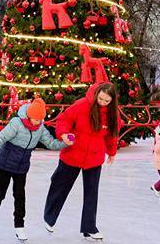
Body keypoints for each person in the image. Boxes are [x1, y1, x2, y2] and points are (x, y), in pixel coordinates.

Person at [43, 82, 123, 241]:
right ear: (96, 94)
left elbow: (112, 135)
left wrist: (112, 152)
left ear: (112, 101)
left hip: (94, 157)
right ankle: (49, 217)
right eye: (100, 99)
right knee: (60, 185)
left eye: (107, 101)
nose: (102, 102)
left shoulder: (113, 113)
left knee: (92, 193)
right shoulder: (81, 105)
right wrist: (64, 134)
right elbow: (63, 120)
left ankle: (89, 228)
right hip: (73, 153)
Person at [0, 99, 69, 241]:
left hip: (21, 167)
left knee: (20, 196)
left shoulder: (40, 128)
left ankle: (19, 225)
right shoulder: (16, 123)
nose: (36, 122)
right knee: (0, 193)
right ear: (28, 115)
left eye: (40, 119)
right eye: (35, 119)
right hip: (4, 164)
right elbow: (1, 138)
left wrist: (65, 143)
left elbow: (51, 143)